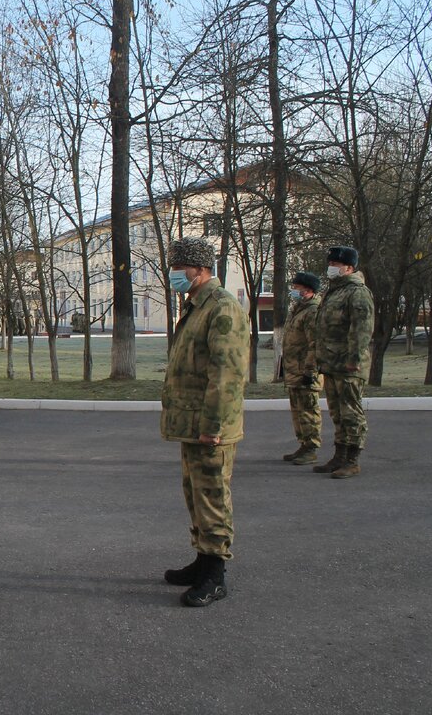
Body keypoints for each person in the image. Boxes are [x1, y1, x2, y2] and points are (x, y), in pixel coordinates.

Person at [159, 237, 249, 608]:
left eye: (179, 267)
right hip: (192, 423)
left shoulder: (222, 308)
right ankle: (202, 560)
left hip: (210, 427)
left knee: (212, 496)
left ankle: (215, 574)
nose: (174, 273)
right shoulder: (198, 306)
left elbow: (226, 375)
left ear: (200, 269)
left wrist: (213, 426)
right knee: (195, 494)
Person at [315, 246, 375, 479]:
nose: (331, 267)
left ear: (349, 267)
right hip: (332, 363)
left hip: (349, 365)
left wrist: (355, 359)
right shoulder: (335, 291)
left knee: (351, 412)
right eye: (330, 263)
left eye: (335, 264)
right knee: (338, 413)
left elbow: (361, 329)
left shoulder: (357, 292)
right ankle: (339, 456)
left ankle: (352, 459)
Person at [281, 272, 324, 465]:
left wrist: (310, 371)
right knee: (298, 411)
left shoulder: (313, 311)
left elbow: (315, 343)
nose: (293, 290)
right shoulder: (298, 309)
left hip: (305, 371)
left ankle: (312, 447)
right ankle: (304, 444)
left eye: (296, 287)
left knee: (308, 410)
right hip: (294, 370)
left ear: (307, 290)